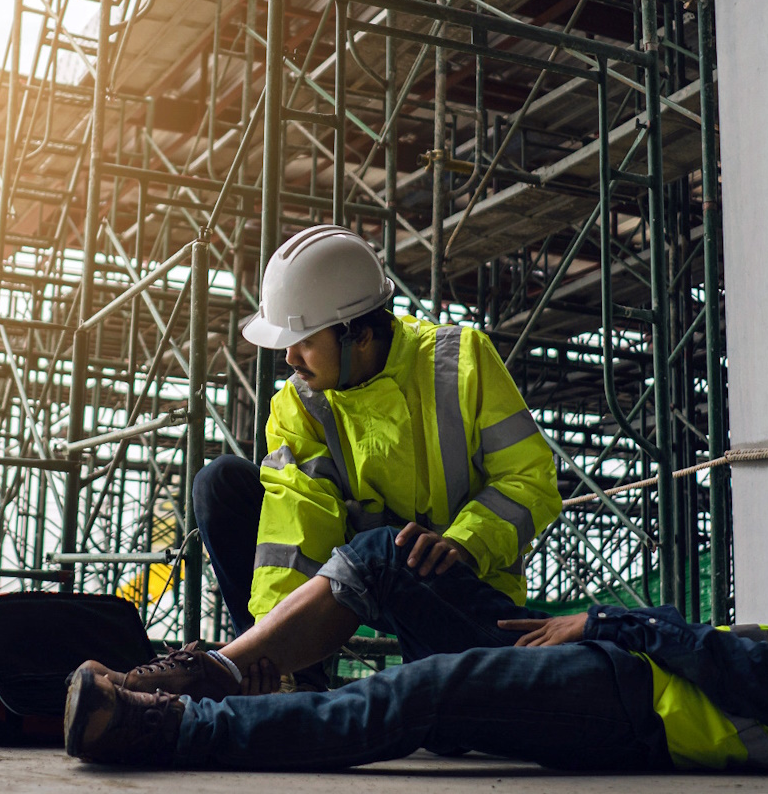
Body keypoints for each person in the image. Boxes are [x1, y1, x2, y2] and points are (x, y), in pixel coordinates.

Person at [61, 531, 768, 773]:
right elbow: (743, 656)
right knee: (384, 557)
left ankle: (164, 728)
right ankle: (213, 670)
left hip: (624, 701)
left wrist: (607, 624)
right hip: (617, 660)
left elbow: (750, 673)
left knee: (416, 692)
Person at [109, 224, 561, 698]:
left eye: (303, 340)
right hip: (345, 579)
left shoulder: (460, 362)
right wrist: (272, 645)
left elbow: (529, 478)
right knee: (219, 482)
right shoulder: (300, 404)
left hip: (453, 580)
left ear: (359, 335)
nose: (289, 357)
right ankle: (288, 679)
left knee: (451, 727)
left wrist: (466, 543)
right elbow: (295, 525)